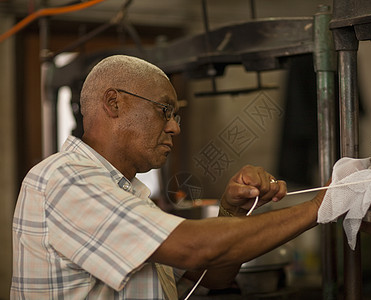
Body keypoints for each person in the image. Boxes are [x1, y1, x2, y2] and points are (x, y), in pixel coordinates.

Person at [11, 55, 326, 299]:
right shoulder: (67, 179)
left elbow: (211, 277)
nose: (175, 127)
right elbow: (194, 247)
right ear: (113, 102)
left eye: (176, 115)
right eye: (165, 110)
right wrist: (319, 207)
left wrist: (233, 211)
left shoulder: (126, 193)